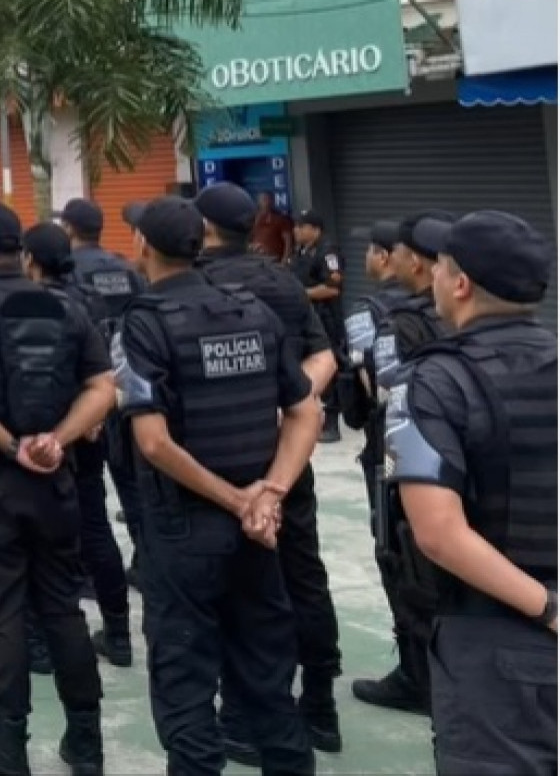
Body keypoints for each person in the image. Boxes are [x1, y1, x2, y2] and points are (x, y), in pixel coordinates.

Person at [116, 196, 323, 776]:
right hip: (259, 528)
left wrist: (239, 500)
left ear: (144, 248)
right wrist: (270, 495)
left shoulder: (144, 322)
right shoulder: (253, 311)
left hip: (186, 530)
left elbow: (153, 443)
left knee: (185, 685)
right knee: (267, 678)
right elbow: (308, 413)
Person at [0, 202, 116, 776]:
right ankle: (86, 742)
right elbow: (104, 386)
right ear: (23, 251)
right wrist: (56, 441)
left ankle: (6, 746)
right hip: (56, 478)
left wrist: (12, 447)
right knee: (62, 607)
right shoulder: (69, 306)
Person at [390, 210, 557, 774]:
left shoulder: (434, 380)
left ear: (459, 285)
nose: (432, 276)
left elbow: (438, 534)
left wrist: (550, 608)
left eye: (439, 267)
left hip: (497, 641)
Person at [193, 181, 344, 756]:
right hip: (287, 459)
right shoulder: (282, 280)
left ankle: (245, 715)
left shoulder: (193, 285)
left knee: (239, 590)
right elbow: (323, 354)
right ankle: (321, 708)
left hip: (220, 460)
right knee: (304, 574)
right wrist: (292, 413)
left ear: (204, 229)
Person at [339, 216, 446, 716]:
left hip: (398, 457)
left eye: (396, 251)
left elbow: (375, 392)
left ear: (411, 260)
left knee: (400, 557)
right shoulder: (462, 313)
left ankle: (416, 676)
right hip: (456, 459)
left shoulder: (386, 318)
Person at [23, 223, 134, 670]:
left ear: (30, 260)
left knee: (37, 538)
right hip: (90, 428)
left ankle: (43, 644)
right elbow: (106, 366)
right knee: (94, 528)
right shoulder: (91, 299)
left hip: (47, 437)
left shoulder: (29, 307)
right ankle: (119, 632)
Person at [58, 198, 147, 595]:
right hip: (131, 390)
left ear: (69, 229)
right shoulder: (126, 269)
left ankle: (88, 575)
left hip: (89, 395)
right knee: (135, 485)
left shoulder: (66, 274)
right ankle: (146, 563)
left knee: (86, 494)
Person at [288, 210, 346, 443]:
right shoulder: (301, 251)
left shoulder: (327, 252)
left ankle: (332, 423)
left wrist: (300, 294)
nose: (296, 230)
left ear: (315, 229)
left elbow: (332, 288)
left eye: (301, 227)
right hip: (307, 318)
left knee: (330, 369)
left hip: (326, 319)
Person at [250, 191, 294, 264]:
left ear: (272, 201)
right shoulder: (254, 218)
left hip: (274, 260)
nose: (264, 202)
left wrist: (285, 259)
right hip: (257, 259)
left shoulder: (281, 219)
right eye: (262, 199)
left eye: (266, 199)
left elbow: (288, 241)